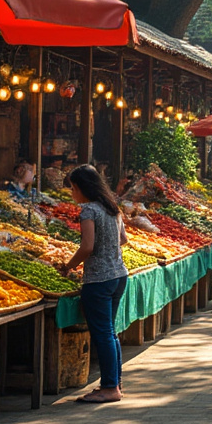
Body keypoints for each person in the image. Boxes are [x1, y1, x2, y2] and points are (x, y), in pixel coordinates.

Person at [58, 165, 129, 403]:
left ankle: (109, 387)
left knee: (103, 334)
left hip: (99, 279)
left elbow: (87, 247)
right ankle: (115, 382)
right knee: (110, 332)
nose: (72, 193)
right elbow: (123, 240)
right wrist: (108, 249)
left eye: (72, 188)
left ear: (81, 187)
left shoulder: (88, 210)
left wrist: (68, 266)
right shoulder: (112, 208)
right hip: (119, 275)